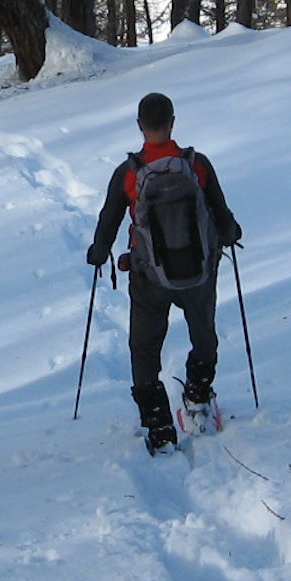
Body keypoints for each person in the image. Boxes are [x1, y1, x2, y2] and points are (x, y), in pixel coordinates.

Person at [86, 92, 242, 453]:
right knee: (203, 334)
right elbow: (222, 218)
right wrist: (232, 234)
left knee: (144, 347)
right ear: (173, 122)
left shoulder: (128, 173)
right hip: (198, 273)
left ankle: (158, 424)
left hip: (148, 276)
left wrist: (98, 252)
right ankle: (198, 397)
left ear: (140, 126)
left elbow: (107, 223)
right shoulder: (197, 165)